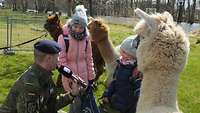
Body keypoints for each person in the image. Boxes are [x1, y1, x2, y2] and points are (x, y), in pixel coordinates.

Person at [0, 40, 81, 113]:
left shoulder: (45, 74)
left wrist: (72, 94)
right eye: (57, 57)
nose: (58, 61)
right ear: (49, 58)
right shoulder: (30, 83)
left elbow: (51, 105)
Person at [57, 5, 96, 113]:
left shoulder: (87, 39)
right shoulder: (63, 38)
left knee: (83, 104)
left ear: (85, 28)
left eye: (81, 27)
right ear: (71, 24)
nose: (78, 30)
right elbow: (61, 60)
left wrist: (91, 77)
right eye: (76, 26)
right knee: (74, 103)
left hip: (84, 77)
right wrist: (70, 77)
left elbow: (89, 58)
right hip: (70, 78)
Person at [101, 36, 142, 113]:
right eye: (122, 51)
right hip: (116, 99)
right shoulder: (121, 63)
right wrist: (106, 94)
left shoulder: (136, 70)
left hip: (128, 104)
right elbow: (114, 81)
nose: (122, 54)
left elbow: (138, 89)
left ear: (133, 55)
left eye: (125, 52)